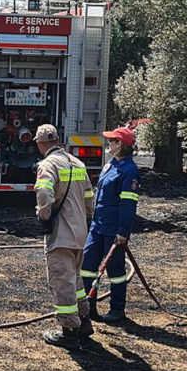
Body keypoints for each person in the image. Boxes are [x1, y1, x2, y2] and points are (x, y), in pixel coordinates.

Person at [34, 124, 95, 350]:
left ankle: (69, 332)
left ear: (40, 144)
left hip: (61, 234)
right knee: (75, 278)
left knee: (61, 281)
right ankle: (84, 321)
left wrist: (44, 215)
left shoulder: (48, 165)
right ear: (58, 141)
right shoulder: (78, 162)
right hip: (80, 233)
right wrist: (85, 217)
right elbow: (89, 196)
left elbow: (43, 191)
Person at [80, 126, 141, 323]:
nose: (109, 143)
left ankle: (117, 309)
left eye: (112, 140)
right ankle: (88, 306)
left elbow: (128, 204)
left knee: (115, 271)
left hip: (113, 229)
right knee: (87, 266)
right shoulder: (110, 165)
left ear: (120, 145)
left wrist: (123, 231)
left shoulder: (129, 171)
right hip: (97, 227)